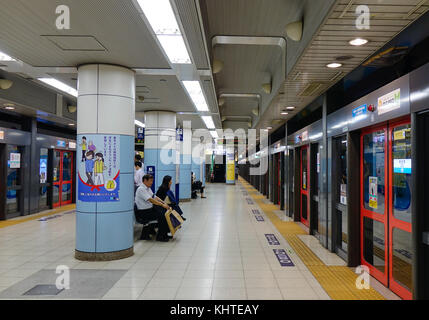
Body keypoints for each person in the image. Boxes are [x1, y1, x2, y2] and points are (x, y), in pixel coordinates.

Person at [135, 174, 172, 242]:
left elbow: (154, 197)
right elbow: (151, 200)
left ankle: (164, 234)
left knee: (165, 212)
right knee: (162, 215)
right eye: (150, 181)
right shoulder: (141, 189)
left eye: (152, 181)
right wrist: (162, 205)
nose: (152, 182)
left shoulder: (148, 188)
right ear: (145, 181)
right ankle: (160, 236)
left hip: (149, 210)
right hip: (144, 212)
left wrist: (163, 203)